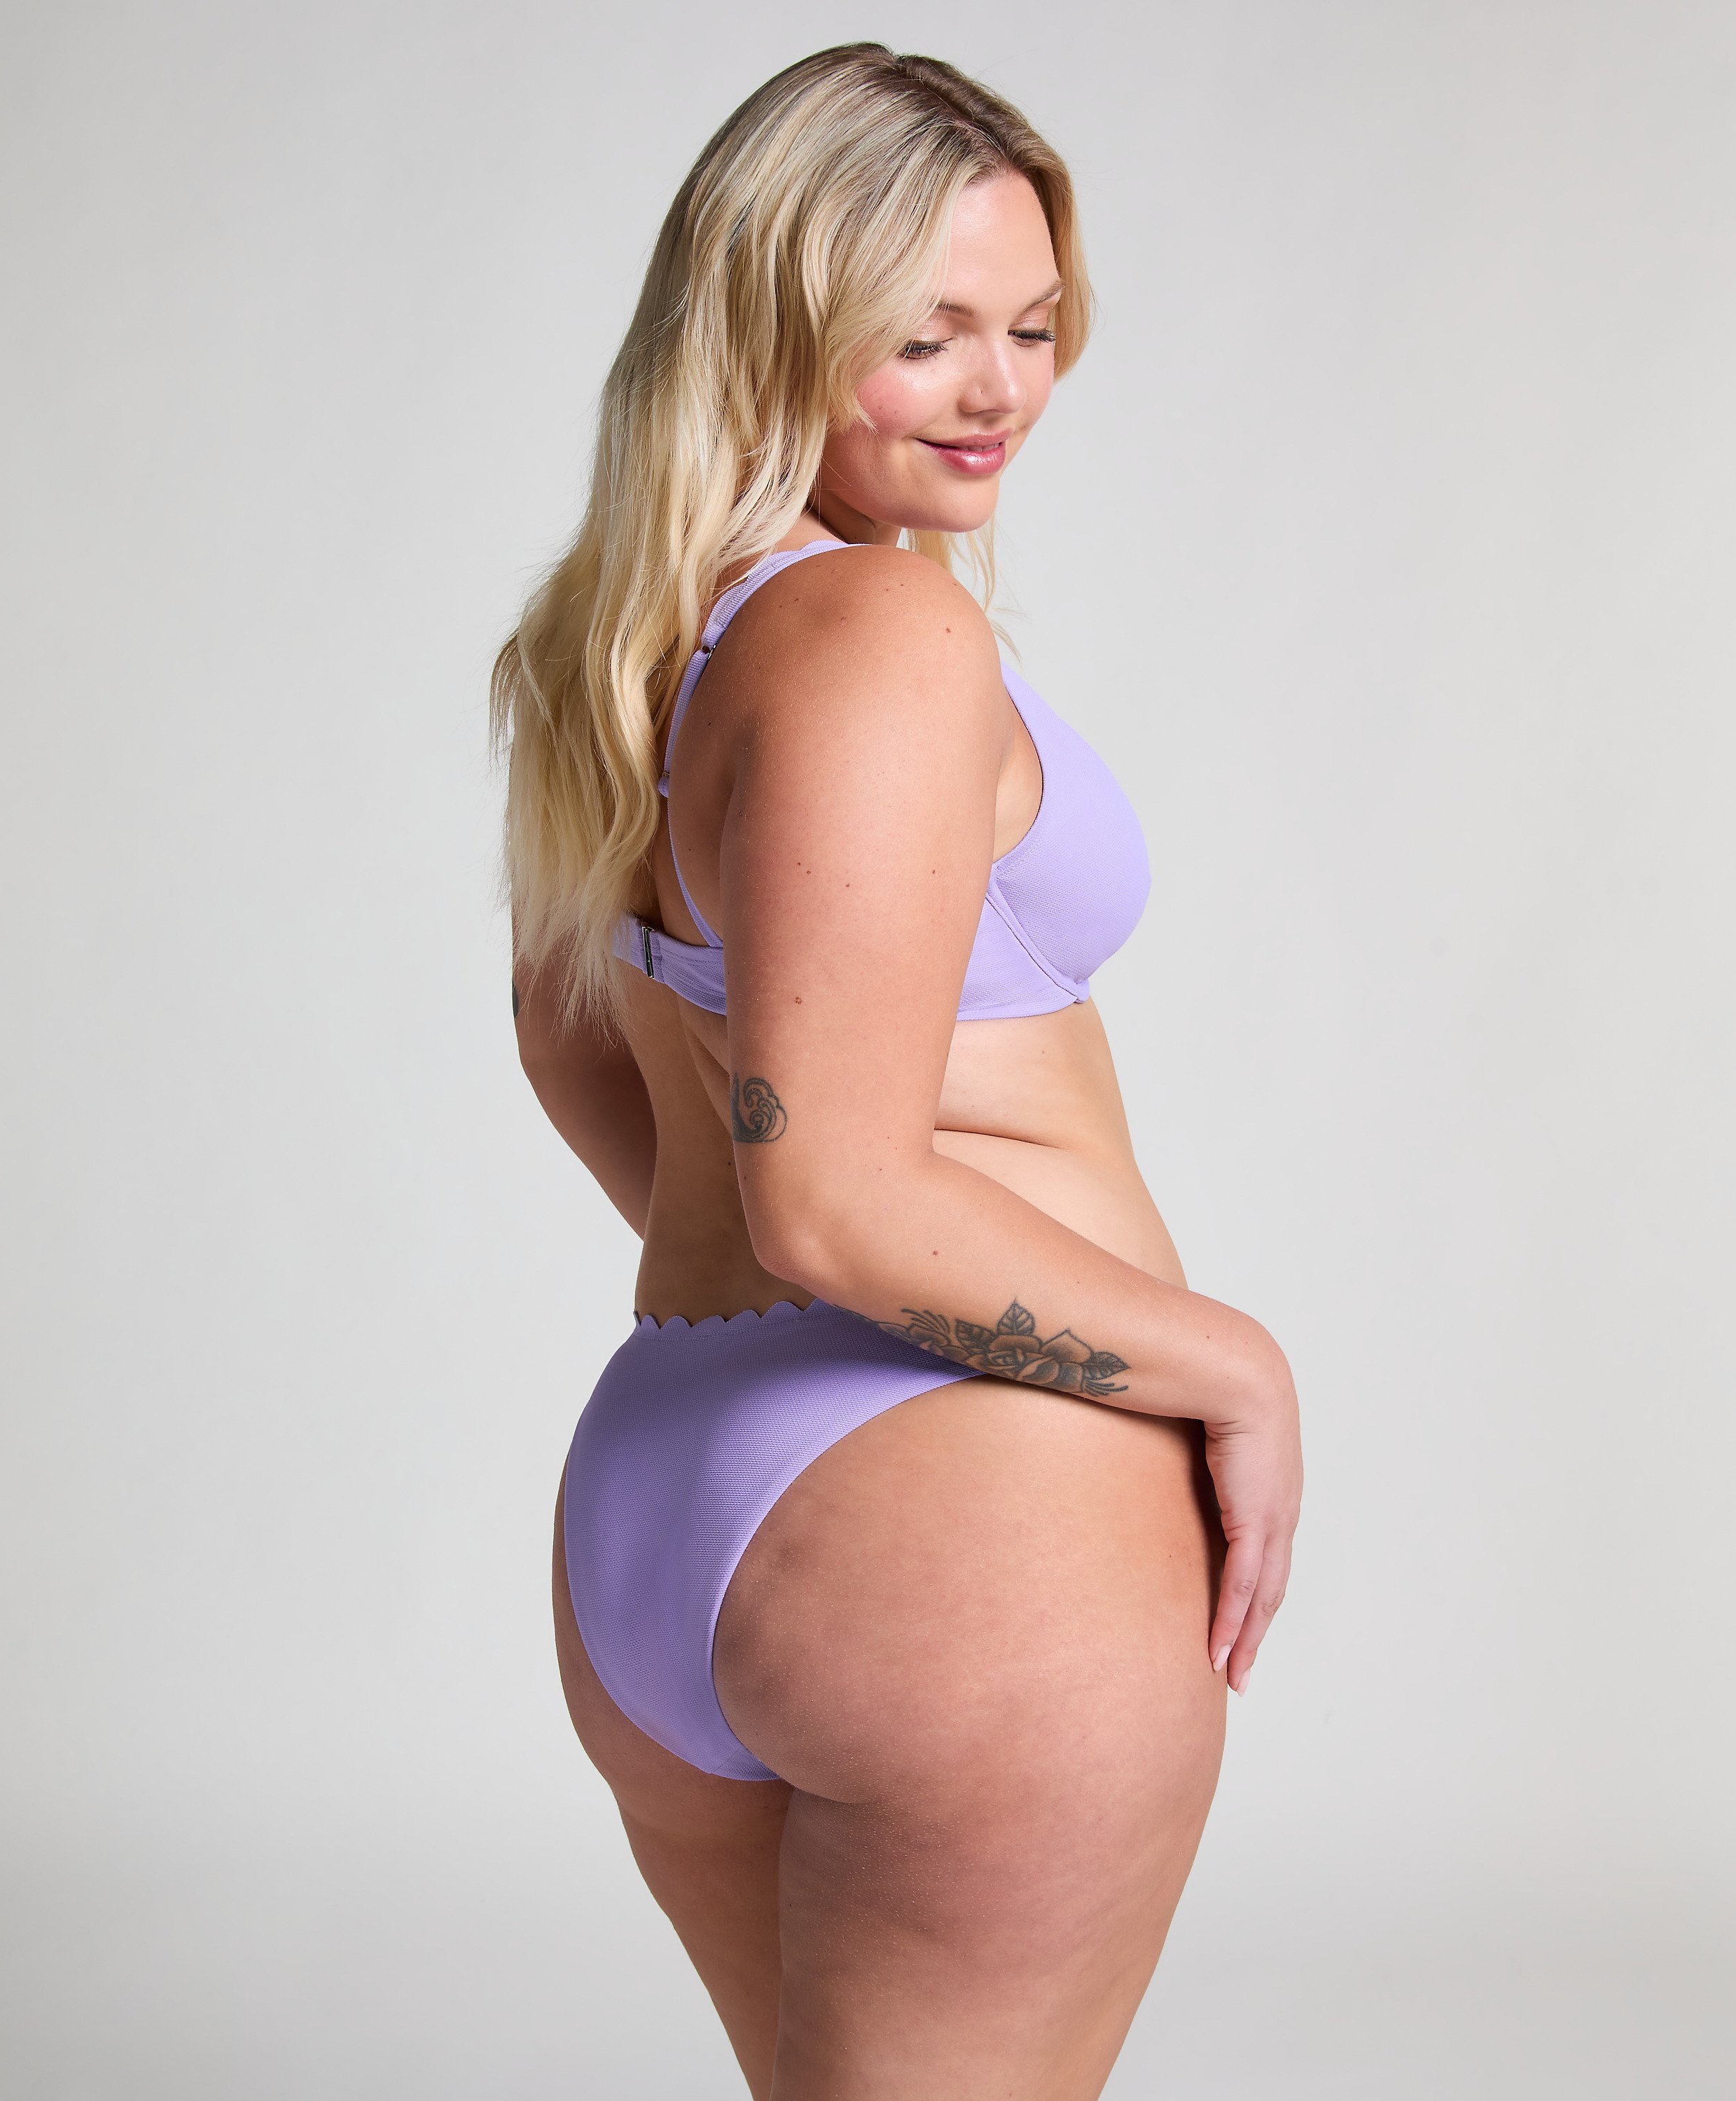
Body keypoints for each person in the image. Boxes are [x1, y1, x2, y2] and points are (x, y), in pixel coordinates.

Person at [492, 41, 1302, 2101]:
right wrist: (1229, 1364)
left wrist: (785, 1307)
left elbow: (572, 1029)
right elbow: (834, 1197)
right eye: (924, 335)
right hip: (962, 1526)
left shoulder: (619, 648)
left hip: (672, 1482)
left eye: (1033, 326)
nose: (996, 388)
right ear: (766, 319)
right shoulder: (880, 635)